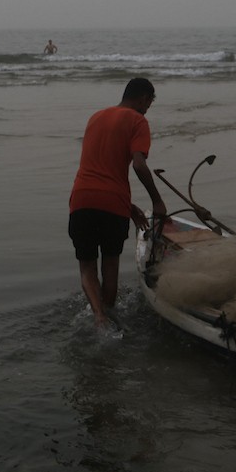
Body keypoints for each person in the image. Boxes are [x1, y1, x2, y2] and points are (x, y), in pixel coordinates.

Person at [68, 77, 167, 327]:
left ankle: (98, 316)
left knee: (87, 267)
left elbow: (100, 169)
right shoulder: (138, 121)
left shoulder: (95, 118)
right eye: (149, 104)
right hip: (112, 205)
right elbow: (139, 165)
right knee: (110, 266)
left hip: (81, 200)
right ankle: (109, 314)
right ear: (143, 98)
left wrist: (129, 207)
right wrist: (157, 201)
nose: (147, 110)